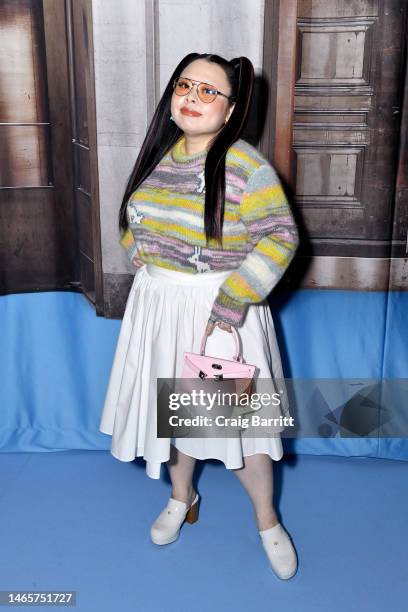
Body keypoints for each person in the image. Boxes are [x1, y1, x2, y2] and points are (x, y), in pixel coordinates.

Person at [99, 53, 299, 580]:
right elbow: (136, 216)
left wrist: (230, 304)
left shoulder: (247, 168)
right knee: (176, 418)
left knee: (243, 432)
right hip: (161, 308)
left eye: (209, 90)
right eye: (185, 85)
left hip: (221, 315)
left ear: (232, 110)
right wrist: (138, 252)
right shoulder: (159, 157)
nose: (193, 96)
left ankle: (267, 520)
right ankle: (182, 497)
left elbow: (281, 237)